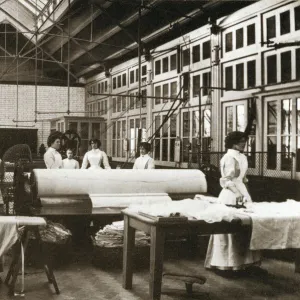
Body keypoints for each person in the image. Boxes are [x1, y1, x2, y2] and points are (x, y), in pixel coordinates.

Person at [205, 131, 262, 274]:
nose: (244, 143)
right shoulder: (228, 157)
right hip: (231, 194)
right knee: (229, 229)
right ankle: (226, 265)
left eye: (245, 140)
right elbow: (226, 180)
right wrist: (237, 193)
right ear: (233, 142)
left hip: (242, 192)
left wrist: (246, 195)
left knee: (245, 228)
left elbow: (243, 178)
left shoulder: (242, 156)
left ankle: (245, 264)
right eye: (241, 141)